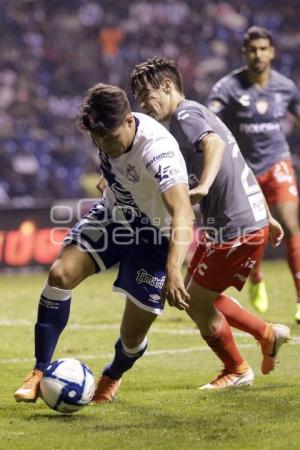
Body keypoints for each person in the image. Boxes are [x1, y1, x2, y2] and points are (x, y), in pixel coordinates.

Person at [14, 83, 195, 403]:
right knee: (59, 275)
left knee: (132, 338)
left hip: (157, 239)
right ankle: (40, 371)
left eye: (110, 140)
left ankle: (113, 374)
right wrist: (111, 175)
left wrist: (174, 267)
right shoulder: (107, 132)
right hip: (115, 217)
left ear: (129, 121)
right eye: (98, 142)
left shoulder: (158, 152)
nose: (105, 146)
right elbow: (116, 162)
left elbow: (182, 210)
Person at [130, 56, 290, 389]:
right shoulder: (191, 115)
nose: (143, 103)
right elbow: (239, 159)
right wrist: (267, 212)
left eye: (146, 94)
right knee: (191, 293)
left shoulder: (186, 115)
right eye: (138, 97)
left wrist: (202, 185)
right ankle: (267, 334)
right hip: (236, 222)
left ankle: (236, 369)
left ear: (167, 86)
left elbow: (216, 145)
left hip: (236, 227)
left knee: (194, 301)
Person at [208, 26, 300, 320]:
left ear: (272, 52)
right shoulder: (228, 88)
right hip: (244, 168)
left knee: (289, 224)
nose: (258, 54)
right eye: (252, 49)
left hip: (277, 163)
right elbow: (210, 117)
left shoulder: (285, 87)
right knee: (257, 232)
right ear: (244, 53)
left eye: (263, 49)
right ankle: (256, 276)